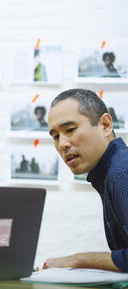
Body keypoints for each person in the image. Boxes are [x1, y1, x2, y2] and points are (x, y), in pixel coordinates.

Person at [44, 88, 128, 272]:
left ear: (105, 125)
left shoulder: (122, 172)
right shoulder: (112, 171)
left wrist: (78, 260)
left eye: (70, 130)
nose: (63, 144)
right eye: (56, 136)